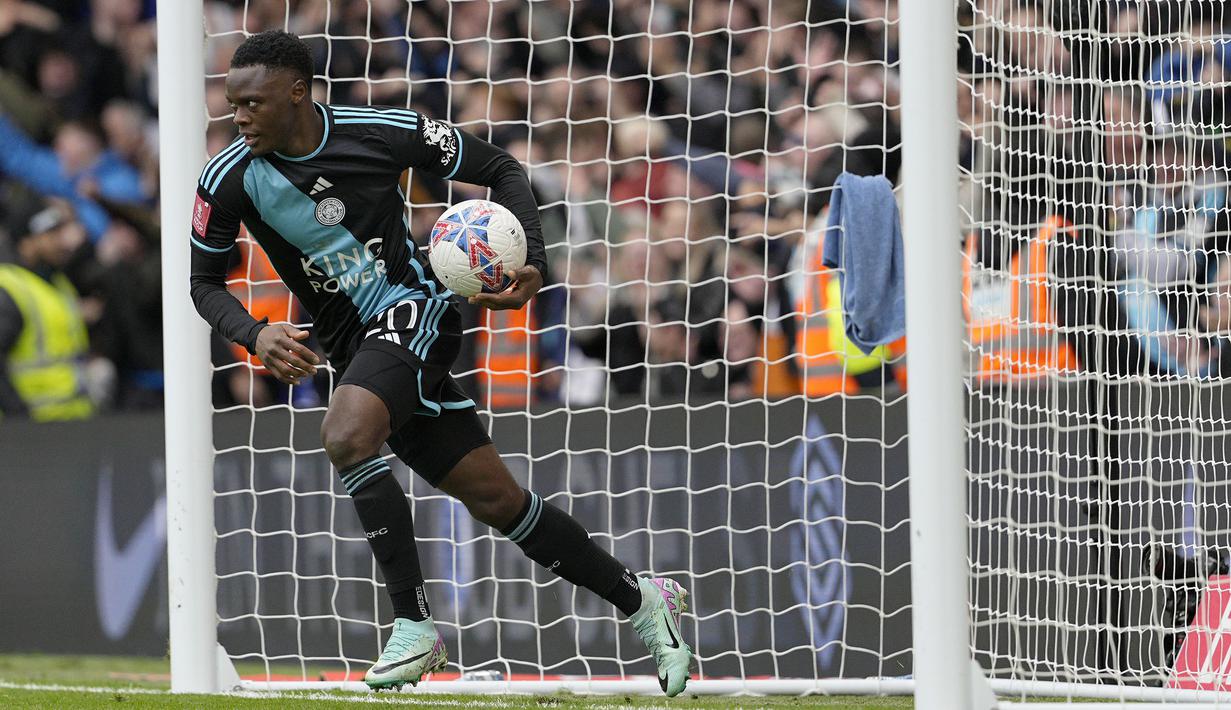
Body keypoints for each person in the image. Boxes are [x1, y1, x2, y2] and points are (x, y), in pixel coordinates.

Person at [188, 31, 693, 695]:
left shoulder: (380, 131)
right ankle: (642, 598)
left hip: (415, 309)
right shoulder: (226, 178)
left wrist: (534, 260)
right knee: (499, 501)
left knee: (345, 434)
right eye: (233, 104)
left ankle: (415, 625)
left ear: (297, 93)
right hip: (355, 348)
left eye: (252, 103)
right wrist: (253, 335)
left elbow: (502, 169)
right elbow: (202, 283)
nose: (238, 117)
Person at [0, 198, 93, 421]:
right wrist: (18, 417)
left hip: (73, 421)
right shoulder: (9, 288)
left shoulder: (59, 282)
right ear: (26, 242)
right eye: (51, 234)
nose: (62, 242)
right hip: (35, 428)